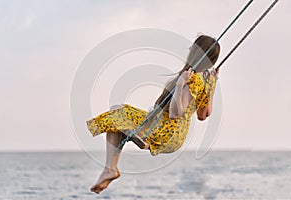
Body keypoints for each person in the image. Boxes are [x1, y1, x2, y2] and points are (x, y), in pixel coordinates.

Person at [86, 34, 220, 194]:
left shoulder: (192, 80)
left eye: (193, 47)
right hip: (177, 137)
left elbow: (175, 113)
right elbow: (203, 114)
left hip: (165, 131)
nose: (189, 48)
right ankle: (116, 162)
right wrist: (213, 83)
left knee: (117, 116)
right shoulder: (207, 80)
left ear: (197, 52)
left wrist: (180, 84)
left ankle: (119, 161)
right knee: (118, 116)